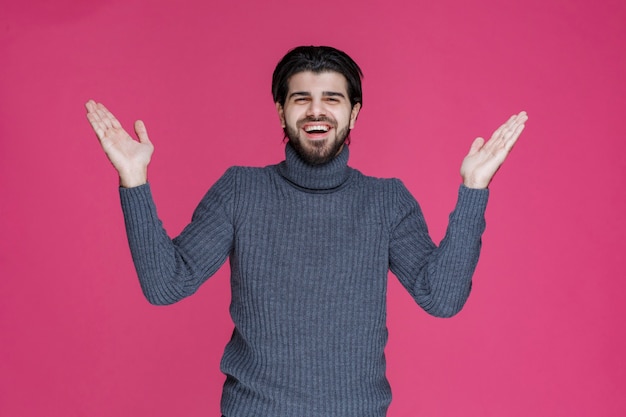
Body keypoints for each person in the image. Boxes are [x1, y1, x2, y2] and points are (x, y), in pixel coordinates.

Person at [86, 45, 527, 417]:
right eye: (302, 98)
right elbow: (166, 284)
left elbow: (442, 298)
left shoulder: (387, 201)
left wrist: (474, 189)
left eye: (332, 99)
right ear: (281, 111)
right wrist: (134, 180)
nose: (317, 110)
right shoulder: (241, 189)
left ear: (354, 113)